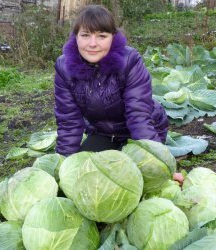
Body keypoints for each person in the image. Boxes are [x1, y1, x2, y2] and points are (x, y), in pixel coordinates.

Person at [54, 5, 168, 157]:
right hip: (104, 133)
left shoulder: (129, 61)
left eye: (101, 36)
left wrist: (158, 159)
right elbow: (69, 121)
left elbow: (138, 116)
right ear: (75, 37)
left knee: (140, 174)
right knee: (83, 169)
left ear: (113, 37)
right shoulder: (64, 68)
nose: (92, 43)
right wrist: (63, 163)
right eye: (85, 35)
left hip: (142, 131)